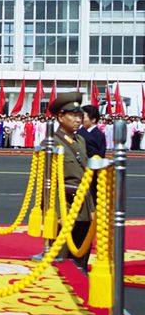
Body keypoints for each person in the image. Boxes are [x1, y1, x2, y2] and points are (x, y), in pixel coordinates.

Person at [51, 92, 93, 270]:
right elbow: (50, 181)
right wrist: (59, 213)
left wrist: (91, 208)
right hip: (66, 204)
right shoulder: (52, 142)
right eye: (73, 115)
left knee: (82, 252)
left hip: (84, 204)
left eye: (80, 115)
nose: (78, 119)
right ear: (61, 117)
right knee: (63, 256)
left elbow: (85, 175)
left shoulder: (80, 140)